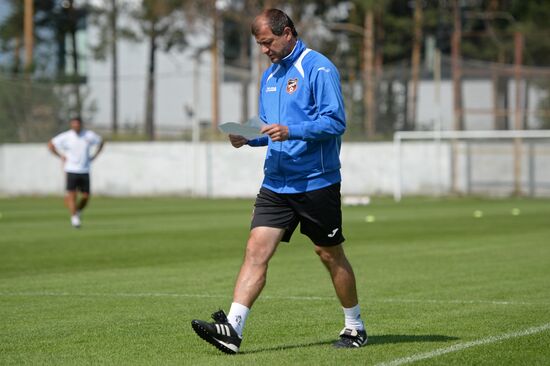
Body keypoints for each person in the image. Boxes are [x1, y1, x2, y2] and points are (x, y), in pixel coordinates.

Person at [191, 9, 367, 354]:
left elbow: (335, 122)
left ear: (287, 33)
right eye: (260, 44)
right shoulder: (270, 76)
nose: (264, 50)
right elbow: (269, 128)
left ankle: (355, 325)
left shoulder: (318, 68)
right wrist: (247, 137)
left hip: (316, 182)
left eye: (268, 42)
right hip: (276, 184)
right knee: (256, 250)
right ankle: (232, 329)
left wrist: (292, 130)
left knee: (329, 255)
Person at [48, 116, 104, 228]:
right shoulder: (66, 136)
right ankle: (74, 219)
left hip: (85, 170)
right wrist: (60, 156)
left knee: (85, 196)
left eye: (77, 124)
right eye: (73, 124)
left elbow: (101, 142)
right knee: (72, 195)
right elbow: (51, 144)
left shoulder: (88, 135)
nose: (75, 126)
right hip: (71, 170)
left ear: (81, 125)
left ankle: (77, 211)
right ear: (71, 125)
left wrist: (95, 156)